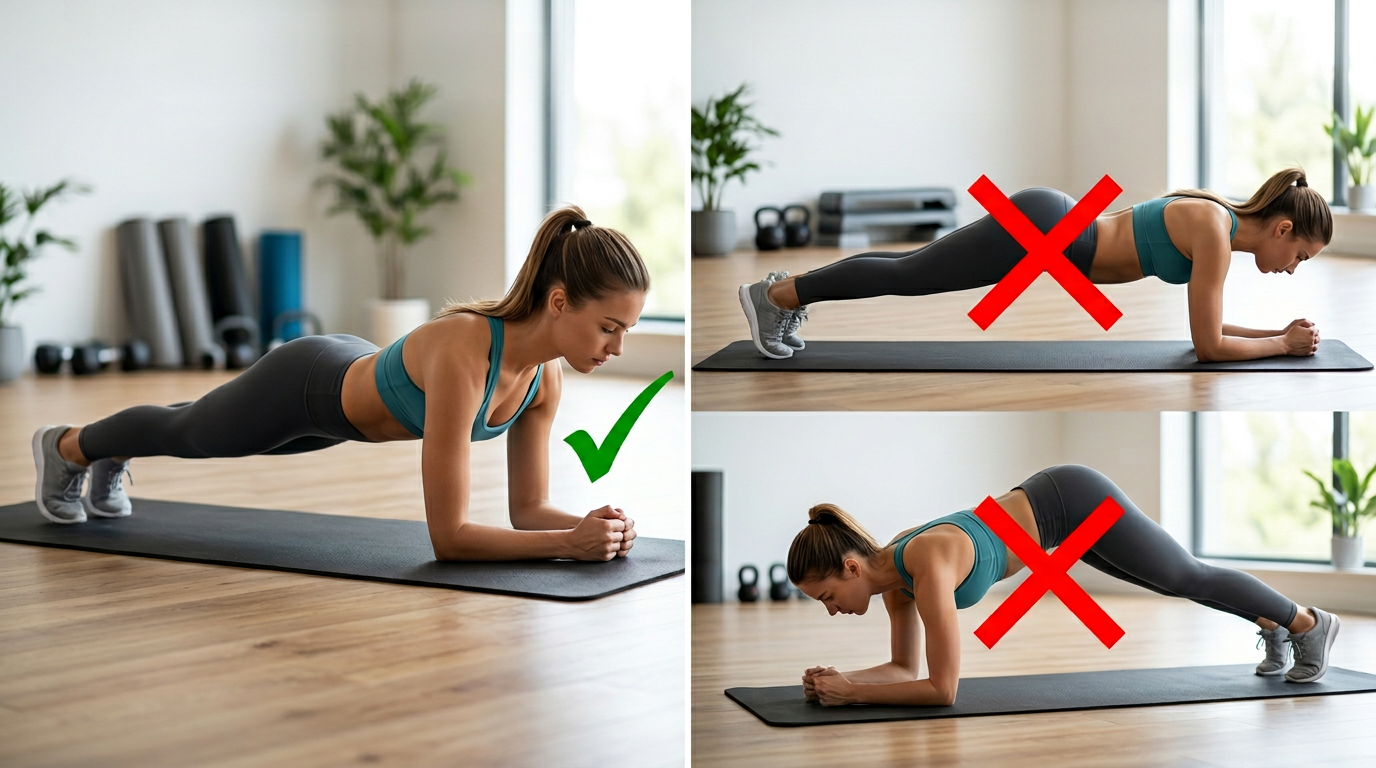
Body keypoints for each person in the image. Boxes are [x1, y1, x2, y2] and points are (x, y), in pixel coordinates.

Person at [31, 205, 647, 562]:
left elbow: (527, 510)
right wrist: (568, 545)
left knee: (192, 422)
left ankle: (102, 450)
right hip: (307, 386)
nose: (617, 348)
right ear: (560, 302)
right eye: (609, 328)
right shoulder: (466, 352)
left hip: (342, 416)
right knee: (190, 430)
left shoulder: (544, 381)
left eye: (628, 331)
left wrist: (594, 527)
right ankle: (68, 446)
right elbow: (449, 538)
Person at [786, 464, 1340, 707]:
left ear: (851, 568)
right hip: (1054, 525)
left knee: (1184, 575)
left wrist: (855, 695)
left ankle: (1308, 624)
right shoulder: (895, 584)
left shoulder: (924, 566)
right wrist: (840, 679)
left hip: (1071, 500)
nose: (833, 611)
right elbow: (905, 671)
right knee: (1175, 585)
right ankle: (1275, 626)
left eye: (828, 598)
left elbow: (942, 690)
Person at [741, 167, 1331, 362]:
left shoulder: (1218, 227)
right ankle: (779, 296)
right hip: (1049, 231)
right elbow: (1206, 347)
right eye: (1299, 255)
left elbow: (1212, 328)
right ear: (1283, 229)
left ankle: (784, 295)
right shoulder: (1214, 233)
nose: (1292, 267)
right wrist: (1280, 346)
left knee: (912, 270)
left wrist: (1280, 336)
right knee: (912, 274)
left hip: (1055, 228)